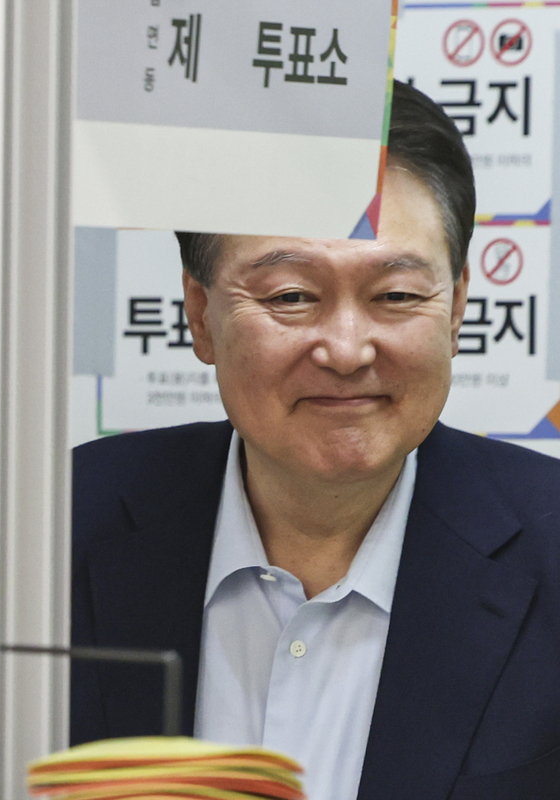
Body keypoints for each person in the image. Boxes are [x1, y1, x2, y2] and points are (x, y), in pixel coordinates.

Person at [70, 80, 560, 800]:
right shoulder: (56, 529)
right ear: (200, 314)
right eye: (292, 296)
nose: (347, 350)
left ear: (457, 307)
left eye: (395, 296)